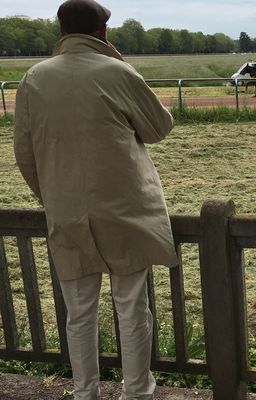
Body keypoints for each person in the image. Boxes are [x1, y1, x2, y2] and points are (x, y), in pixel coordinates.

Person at [13, 1, 179, 399]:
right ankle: (136, 391)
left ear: (61, 30)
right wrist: (118, 61)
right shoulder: (117, 71)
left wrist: (54, 196)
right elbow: (159, 128)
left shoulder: (33, 78)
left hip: (66, 212)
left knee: (79, 313)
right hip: (127, 210)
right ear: (103, 31)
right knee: (131, 308)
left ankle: (86, 393)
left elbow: (24, 154)